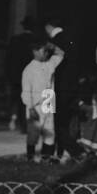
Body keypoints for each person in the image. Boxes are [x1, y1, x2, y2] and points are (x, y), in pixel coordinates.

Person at [44, 18, 83, 162]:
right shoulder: (71, 38)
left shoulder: (53, 43)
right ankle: (61, 153)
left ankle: (73, 151)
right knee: (65, 122)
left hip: (57, 88)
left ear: (48, 26)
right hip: (71, 86)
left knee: (54, 123)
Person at [21, 35, 65, 163]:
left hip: (48, 101)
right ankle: (30, 158)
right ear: (34, 51)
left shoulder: (49, 64)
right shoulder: (29, 69)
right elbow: (26, 91)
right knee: (33, 133)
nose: (46, 53)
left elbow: (61, 53)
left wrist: (50, 45)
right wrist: (30, 108)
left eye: (47, 51)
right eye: (42, 50)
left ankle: (47, 160)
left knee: (49, 132)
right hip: (35, 105)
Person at [5, 16, 38, 133]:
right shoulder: (36, 41)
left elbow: (8, 60)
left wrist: (9, 75)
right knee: (30, 100)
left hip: (16, 76)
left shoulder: (15, 40)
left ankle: (18, 122)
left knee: (17, 100)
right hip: (32, 77)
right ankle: (27, 124)